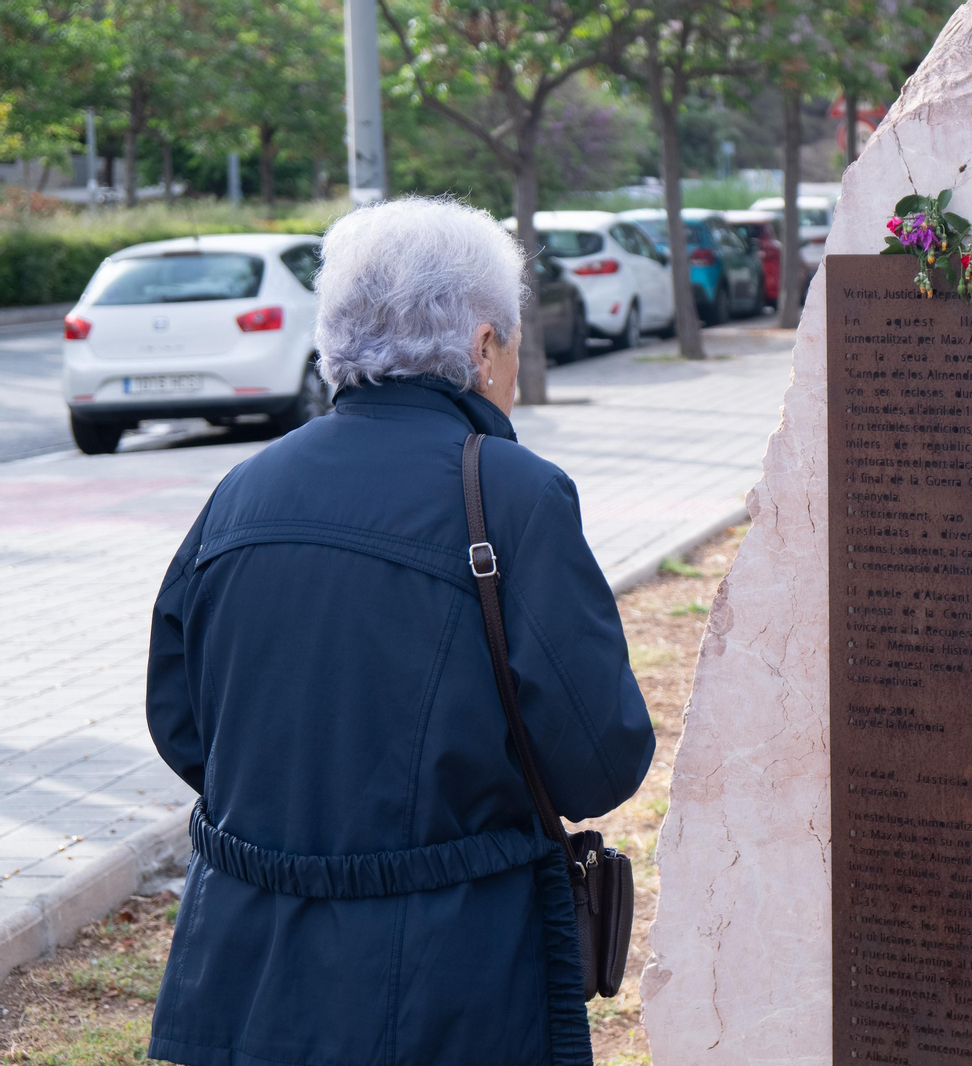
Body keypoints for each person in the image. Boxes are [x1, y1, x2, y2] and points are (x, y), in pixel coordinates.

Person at [144, 197, 654, 1066]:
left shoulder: (243, 489)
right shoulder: (514, 495)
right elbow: (601, 761)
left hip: (244, 957)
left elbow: (181, 720)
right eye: (513, 341)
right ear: (483, 346)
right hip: (447, 972)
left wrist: (301, 817)